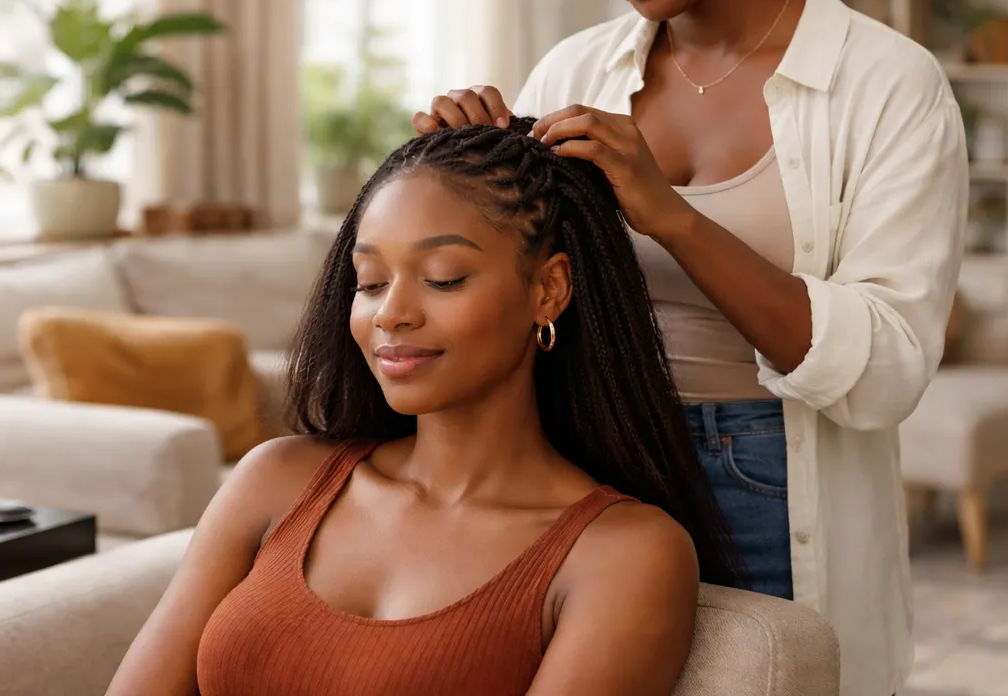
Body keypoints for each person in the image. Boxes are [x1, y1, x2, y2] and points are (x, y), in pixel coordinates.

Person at [414, 0, 968, 696]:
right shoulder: (572, 76)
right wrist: (470, 174)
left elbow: (888, 370)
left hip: (773, 481)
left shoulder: (888, 83)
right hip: (597, 470)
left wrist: (665, 213)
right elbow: (529, 297)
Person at [105, 119, 741, 696]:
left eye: (443, 277)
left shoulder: (624, 553)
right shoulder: (275, 478)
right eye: (371, 281)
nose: (391, 314)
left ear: (548, 290)